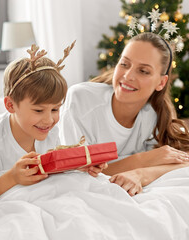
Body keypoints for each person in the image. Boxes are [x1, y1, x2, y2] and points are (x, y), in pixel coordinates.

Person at [60, 32, 189, 196]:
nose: (128, 76)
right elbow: (77, 174)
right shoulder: (81, 99)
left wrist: (140, 174)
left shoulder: (153, 113)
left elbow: (182, 161)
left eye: (143, 71)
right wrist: (144, 159)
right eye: (124, 64)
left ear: (161, 82)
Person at [0, 44, 107, 200]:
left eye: (55, 109)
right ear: (10, 105)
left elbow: (51, 168)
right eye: (38, 111)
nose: (49, 120)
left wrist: (79, 166)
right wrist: (12, 177)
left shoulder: (49, 130)